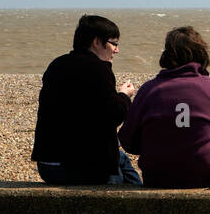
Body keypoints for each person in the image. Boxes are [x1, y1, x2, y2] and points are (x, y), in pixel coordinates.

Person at [118, 26, 210, 188]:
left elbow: (128, 141)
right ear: (201, 54)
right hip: (205, 178)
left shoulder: (149, 90)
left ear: (166, 55)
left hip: (157, 178)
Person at [31, 14, 140, 185]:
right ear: (97, 42)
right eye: (114, 44)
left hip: (47, 163)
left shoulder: (57, 65)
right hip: (81, 168)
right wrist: (124, 96)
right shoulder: (98, 69)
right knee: (119, 169)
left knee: (122, 160)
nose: (117, 50)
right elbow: (114, 116)